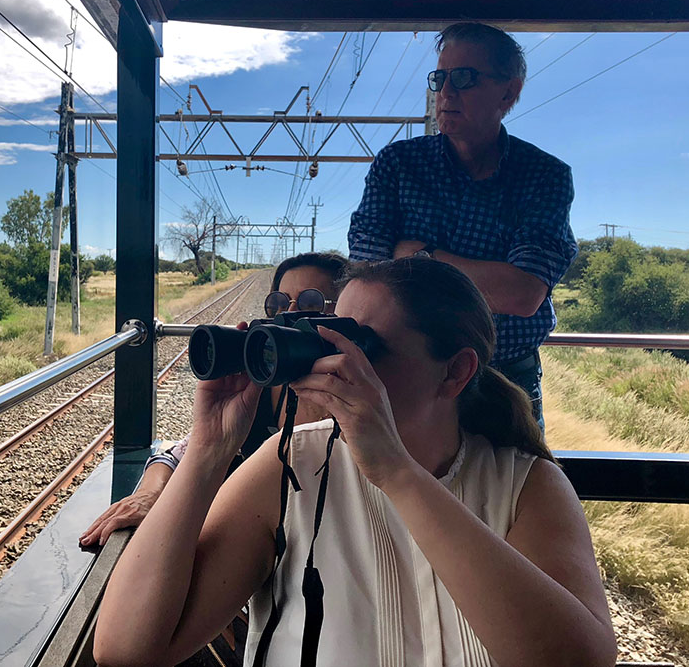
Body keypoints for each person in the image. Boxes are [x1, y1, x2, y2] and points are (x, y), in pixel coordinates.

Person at [94, 256, 616, 667]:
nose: (337, 362)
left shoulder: (526, 486)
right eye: (334, 336)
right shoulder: (290, 465)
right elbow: (127, 650)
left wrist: (397, 473)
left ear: (455, 372)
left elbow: (578, 659)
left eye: (363, 347)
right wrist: (208, 449)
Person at [348, 22, 577, 431]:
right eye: (440, 78)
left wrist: (418, 256)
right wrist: (486, 276)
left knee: (514, 492)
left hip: (505, 380)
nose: (446, 93)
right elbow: (366, 274)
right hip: (403, 375)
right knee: (394, 492)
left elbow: (523, 294)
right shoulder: (397, 165)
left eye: (465, 78)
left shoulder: (544, 176)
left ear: (509, 92)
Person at [79, 251, 349, 548]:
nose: (290, 316)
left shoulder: (357, 404)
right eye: (280, 304)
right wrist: (150, 493)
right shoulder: (262, 383)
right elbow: (179, 451)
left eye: (311, 304)